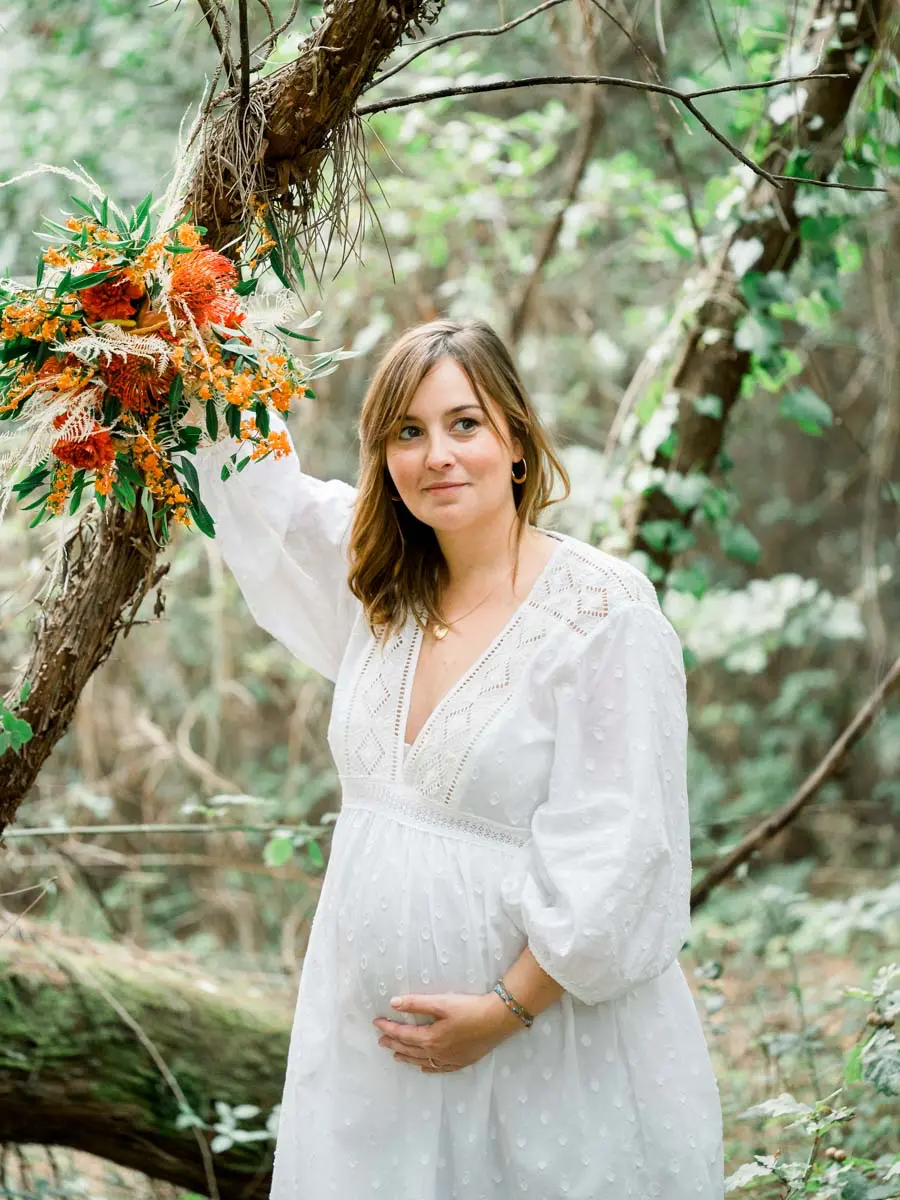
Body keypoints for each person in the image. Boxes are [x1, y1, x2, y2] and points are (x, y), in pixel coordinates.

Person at [193, 317, 724, 1199]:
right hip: (373, 1060)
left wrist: (502, 1012)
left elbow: (623, 848)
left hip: (545, 1051)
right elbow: (266, 502)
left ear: (516, 439)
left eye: (464, 423)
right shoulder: (376, 592)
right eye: (408, 431)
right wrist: (180, 332)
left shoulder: (602, 613)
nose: (436, 453)